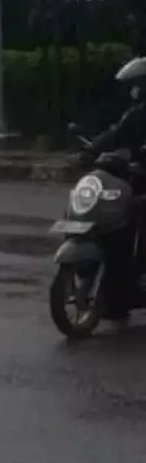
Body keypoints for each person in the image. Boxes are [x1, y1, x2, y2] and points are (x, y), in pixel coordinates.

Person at [79, 56, 146, 323]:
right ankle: (121, 294)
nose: (134, 91)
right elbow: (114, 135)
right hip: (138, 176)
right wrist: (91, 149)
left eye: (138, 85)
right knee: (119, 221)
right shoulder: (136, 113)